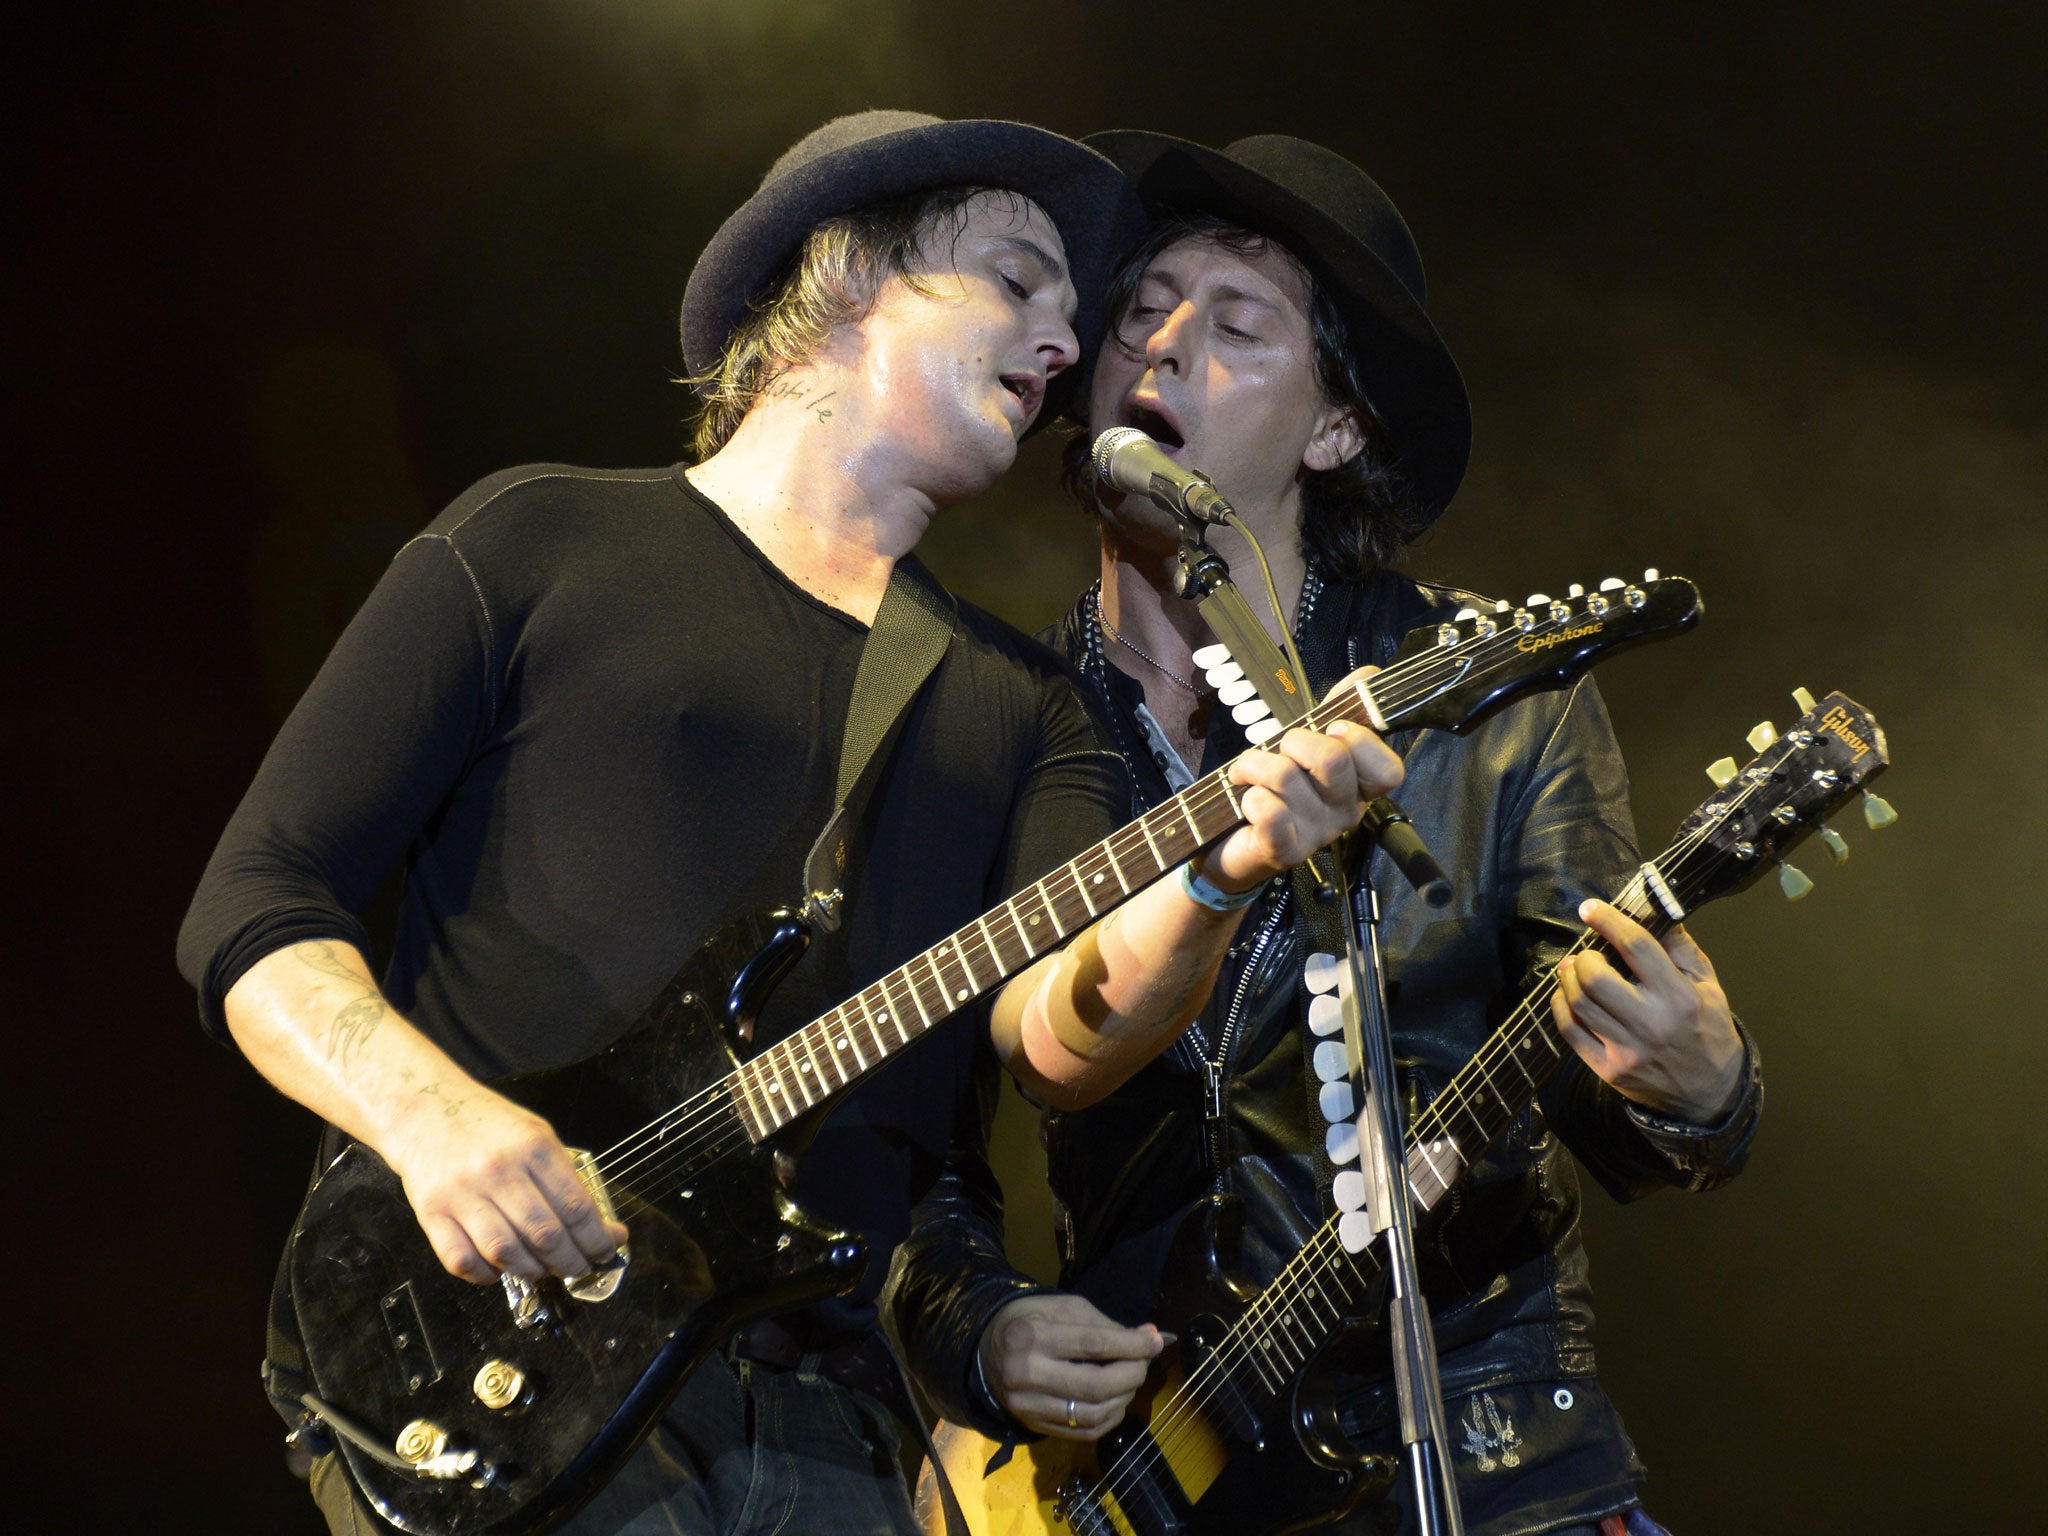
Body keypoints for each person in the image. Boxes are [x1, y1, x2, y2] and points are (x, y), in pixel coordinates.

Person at [176, 112, 1405, 1536]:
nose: (1067, 344)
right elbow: (255, 907)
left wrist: (1219, 873)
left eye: (1074, 312)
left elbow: (1057, 1047)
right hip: (502, 1358)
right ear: (845, 278)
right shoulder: (535, 543)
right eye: (1017, 282)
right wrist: (430, 1115)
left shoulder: (1017, 702)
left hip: (833, 1429)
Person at [885, 133, 1764, 1536]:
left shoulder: (1486, 695)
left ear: (1335, 427)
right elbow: (905, 1141)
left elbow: (1621, 1109)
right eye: (1140, 310)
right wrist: (973, 1326)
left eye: (1236, 325)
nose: (1161, 346)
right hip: (1149, 1471)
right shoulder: (989, 723)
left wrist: (1700, 1086)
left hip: (1483, 1464)